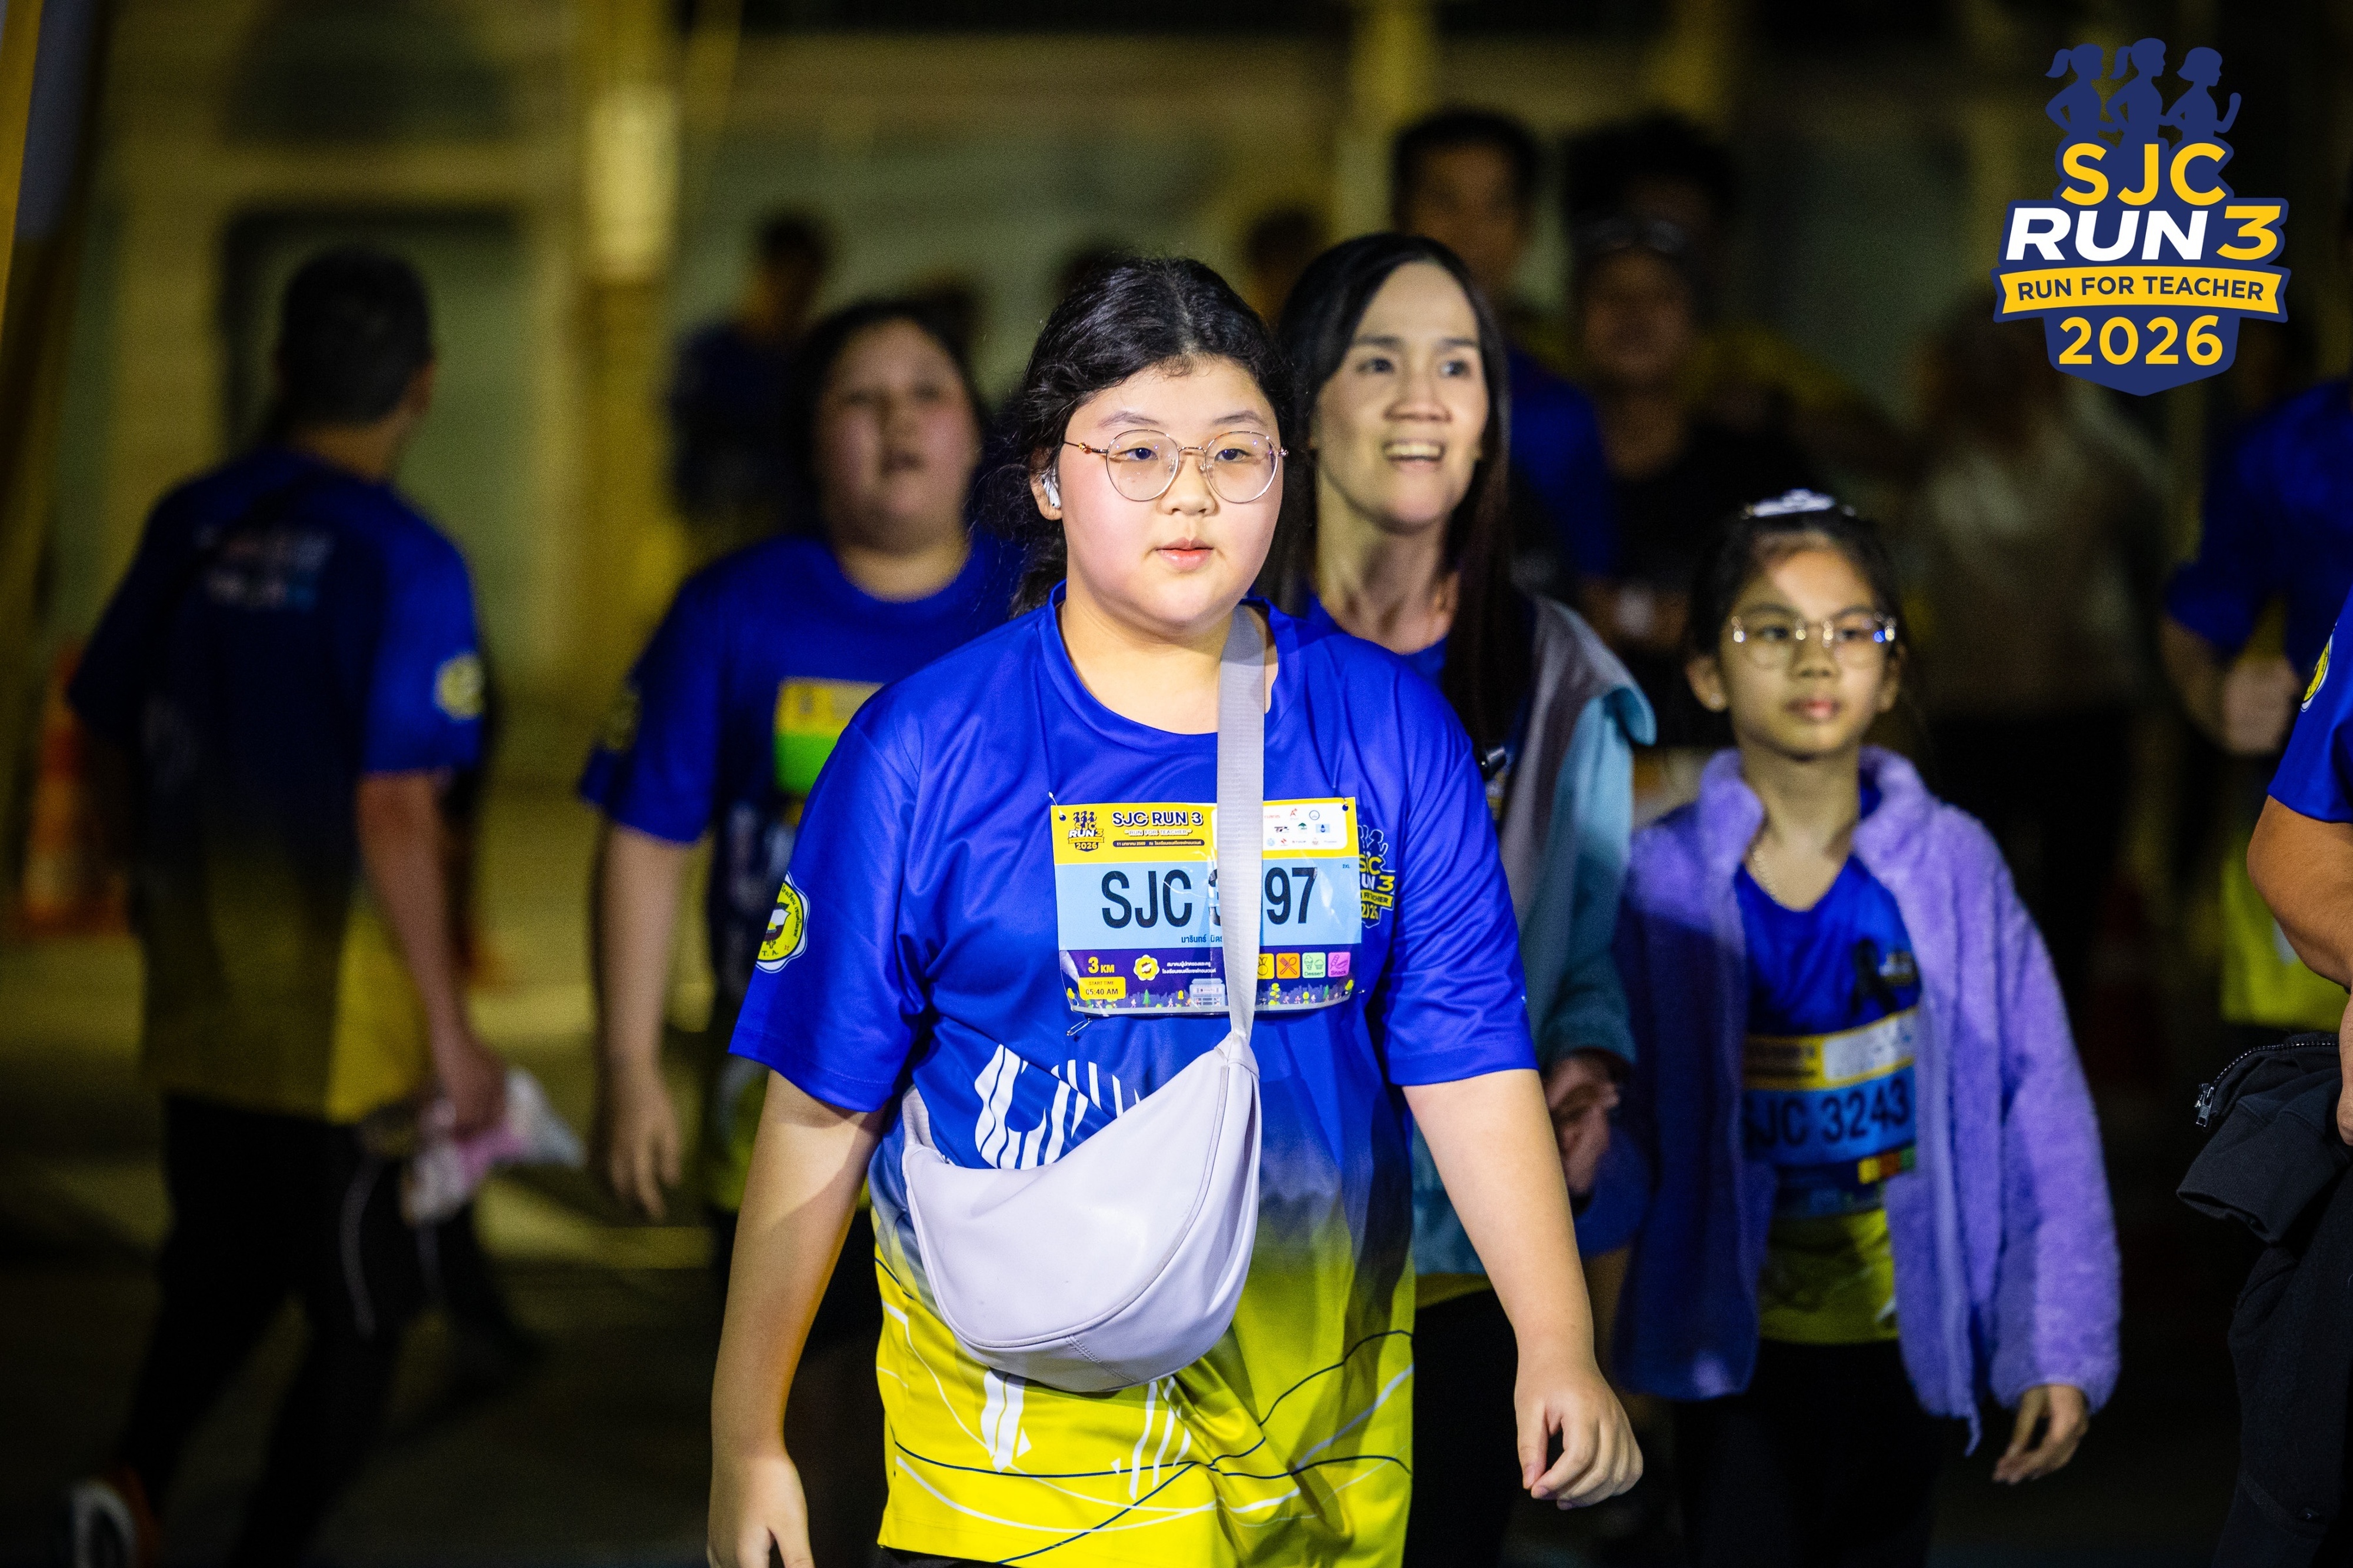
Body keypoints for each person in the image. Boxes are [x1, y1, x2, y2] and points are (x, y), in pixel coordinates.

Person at [707, 256, 1641, 1568]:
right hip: (1011, 1476)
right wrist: (746, 1433)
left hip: (1317, 1467)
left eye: (1235, 453)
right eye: (1137, 452)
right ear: (1047, 476)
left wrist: (1556, 1339)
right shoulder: (920, 750)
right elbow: (820, 1108)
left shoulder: (1388, 731)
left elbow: (1471, 1061)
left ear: (1286, 470)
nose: (1191, 494)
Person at [59, 248, 501, 1568]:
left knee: (222, 1264)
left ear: (279, 369)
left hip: (204, 988)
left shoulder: (194, 517)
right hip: (339, 1025)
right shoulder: (408, 559)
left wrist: (142, 877)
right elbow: (396, 807)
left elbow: (102, 716)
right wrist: (452, 1034)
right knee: (366, 1314)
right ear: (423, 385)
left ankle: (131, 1485)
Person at [1585, 495, 2120, 1567]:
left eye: (1851, 628)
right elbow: (1620, 1128)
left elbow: (2042, 1114)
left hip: (1905, 1344)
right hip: (1730, 1359)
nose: (1814, 657)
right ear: (1706, 672)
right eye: (1771, 628)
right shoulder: (1664, 880)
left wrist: (2057, 1341)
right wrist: (1593, 1342)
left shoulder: (1956, 868)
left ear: (1894, 670)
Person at [582, 298, 1015, 1567]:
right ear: (810, 438)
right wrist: (626, 1065)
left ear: (977, 429)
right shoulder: (732, 610)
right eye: (858, 399)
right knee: (804, 1385)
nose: (896, 424)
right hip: (782, 1093)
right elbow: (646, 837)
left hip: (999, 1103)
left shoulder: (1040, 603)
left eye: (926, 392)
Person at [1266, 232, 1652, 1568]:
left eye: (1458, 365)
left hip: (1463, 1254)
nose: (1422, 398)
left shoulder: (1557, 677)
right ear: (1303, 402)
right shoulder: (1204, 658)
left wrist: (1589, 1056)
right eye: (1377, 360)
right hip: (1242, 1252)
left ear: (1491, 418)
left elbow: (1585, 951)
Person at [1907, 301, 2165, 1023]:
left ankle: (2055, 1058)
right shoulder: (1940, 457)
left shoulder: (2085, 449)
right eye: (1977, 354)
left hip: (2082, 706)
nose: (1995, 370)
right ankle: (1979, 1049)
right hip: (1972, 712)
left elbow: (2155, 490)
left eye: (2012, 351)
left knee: (2071, 911)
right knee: (1971, 898)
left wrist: (2071, 392)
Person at [1572, 215, 1814, 750]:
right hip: (1552, 781)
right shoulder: (1524, 472)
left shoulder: (1763, 475)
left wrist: (1629, 613)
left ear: (1698, 323)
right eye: (1611, 295)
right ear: (1576, 317)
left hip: (1725, 775)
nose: (1635, 314)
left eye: (1661, 296)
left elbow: (1816, 626)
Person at [1561, 114, 1901, 479]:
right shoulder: (1542, 359)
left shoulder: (1748, 360)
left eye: (1692, 238)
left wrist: (1772, 415)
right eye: (1651, 232)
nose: (1666, 256)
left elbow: (1894, 453)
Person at [1391, 108, 1616, 599]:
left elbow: (1588, 596)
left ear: (1527, 225)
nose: (1471, 232)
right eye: (1445, 202)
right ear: (1399, 216)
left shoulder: (1562, 415)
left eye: (1496, 207)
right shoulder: (1345, 395)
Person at [669, 210, 832, 553]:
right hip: (716, 529)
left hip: (791, 536)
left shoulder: (814, 362)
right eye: (790, 286)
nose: (797, 303)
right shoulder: (711, 356)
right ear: (765, 275)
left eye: (807, 290)